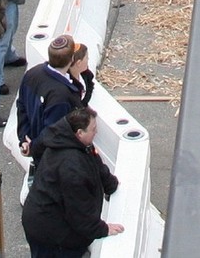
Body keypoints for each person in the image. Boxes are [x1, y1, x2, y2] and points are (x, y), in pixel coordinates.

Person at [21, 107, 123, 258]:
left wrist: (110, 184)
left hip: (47, 220)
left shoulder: (75, 142)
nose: (96, 132)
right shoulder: (71, 168)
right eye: (93, 129)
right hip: (50, 234)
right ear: (80, 133)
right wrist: (102, 229)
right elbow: (79, 209)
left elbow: (95, 163)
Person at [16, 35, 93, 157]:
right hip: (52, 157)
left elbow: (21, 107)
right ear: (72, 58)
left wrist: (24, 139)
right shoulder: (61, 96)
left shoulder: (32, 73)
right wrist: (33, 147)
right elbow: (54, 133)